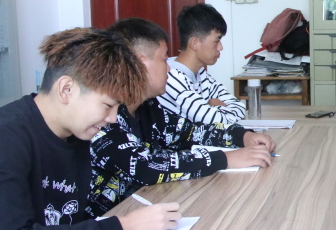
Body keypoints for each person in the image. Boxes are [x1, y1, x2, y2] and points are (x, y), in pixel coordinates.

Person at [0, 28, 181, 230]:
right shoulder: (5, 138)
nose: (113, 118)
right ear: (66, 89)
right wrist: (124, 227)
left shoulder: (76, 135)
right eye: (107, 105)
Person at [89, 18, 276, 216]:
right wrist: (225, 159)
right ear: (141, 64)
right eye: (164, 60)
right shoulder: (104, 117)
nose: (169, 68)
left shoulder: (148, 108)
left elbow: (190, 132)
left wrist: (242, 136)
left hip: (141, 212)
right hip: (105, 224)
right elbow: (146, 166)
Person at [157, 3, 245, 124]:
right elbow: (217, 121)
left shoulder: (200, 73)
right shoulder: (170, 77)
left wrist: (211, 109)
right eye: (217, 41)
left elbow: (239, 107)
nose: (221, 47)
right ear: (195, 43)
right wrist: (213, 107)